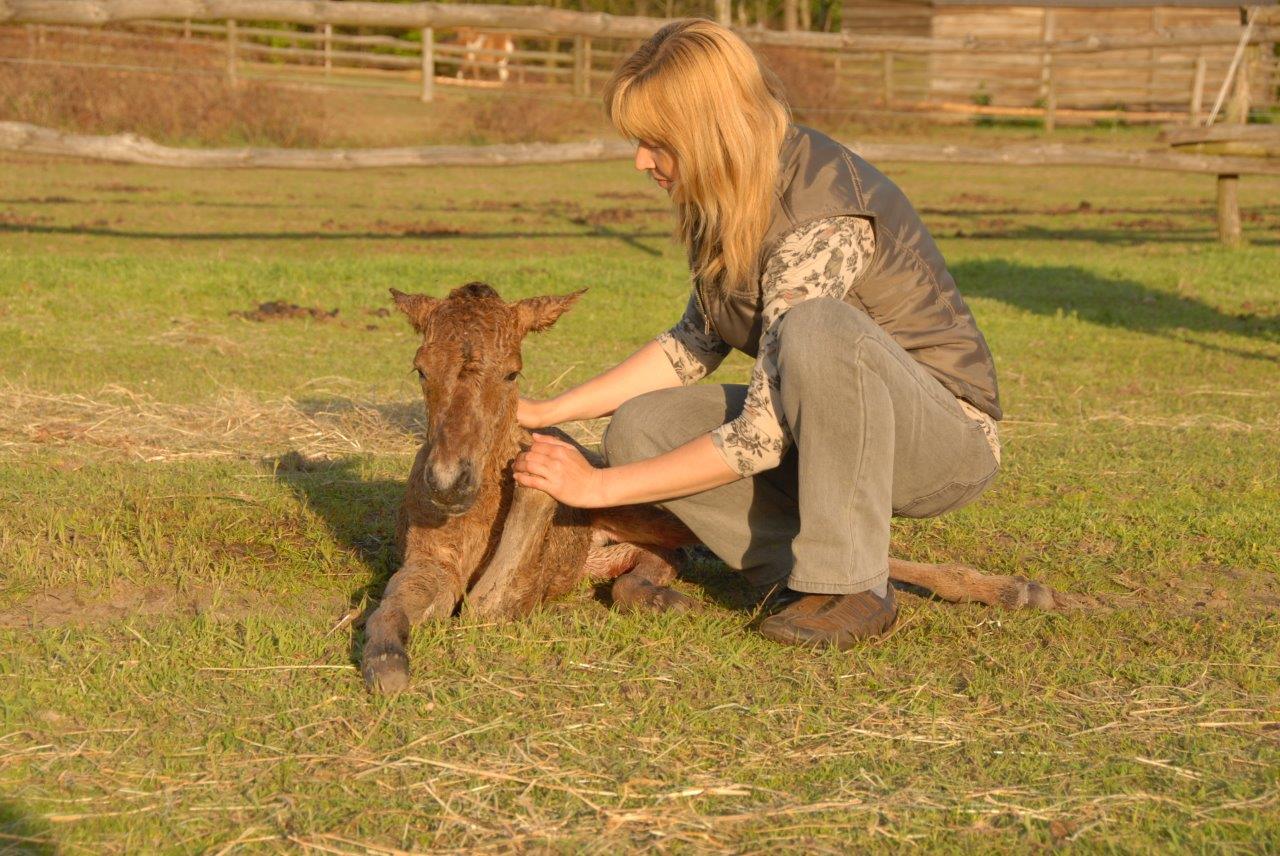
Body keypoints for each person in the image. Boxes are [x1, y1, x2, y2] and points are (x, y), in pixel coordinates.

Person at [513, 19, 1002, 650]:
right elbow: (693, 345)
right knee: (639, 430)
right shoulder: (726, 197)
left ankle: (851, 585)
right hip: (829, 425)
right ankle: (799, 572)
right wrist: (547, 409)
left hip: (941, 442)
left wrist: (597, 486)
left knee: (818, 326)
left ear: (707, 133)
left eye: (655, 142)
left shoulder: (821, 216)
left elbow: (762, 436)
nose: (640, 160)